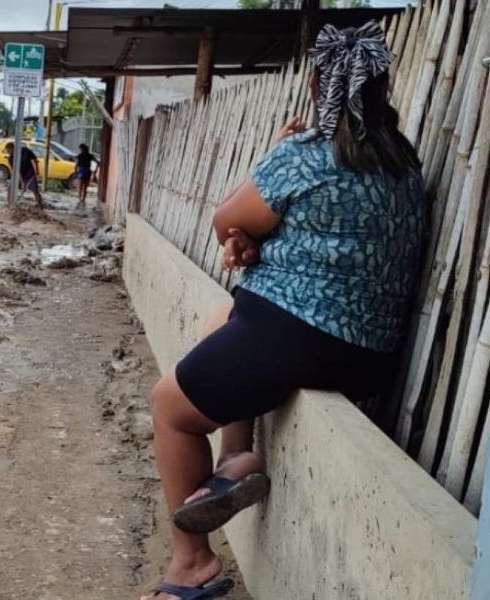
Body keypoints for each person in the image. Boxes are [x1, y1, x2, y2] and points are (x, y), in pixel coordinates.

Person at [144, 22, 425, 600]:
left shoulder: (306, 153)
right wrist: (252, 246)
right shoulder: (404, 164)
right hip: (370, 355)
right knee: (220, 322)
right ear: (379, 89)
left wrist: (251, 212)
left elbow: (225, 217)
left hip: (299, 338)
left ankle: (192, 565)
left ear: (320, 85)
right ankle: (236, 457)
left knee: (169, 405)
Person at [4, 142, 44, 209]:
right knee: (10, 188)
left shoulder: (25, 151)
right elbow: (17, 171)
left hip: (30, 174)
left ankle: (40, 207)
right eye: (7, 151)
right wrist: (23, 183)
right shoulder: (11, 159)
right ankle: (9, 205)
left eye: (9, 151)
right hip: (19, 175)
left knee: (35, 190)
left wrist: (37, 170)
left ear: (13, 148)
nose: (8, 153)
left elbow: (35, 159)